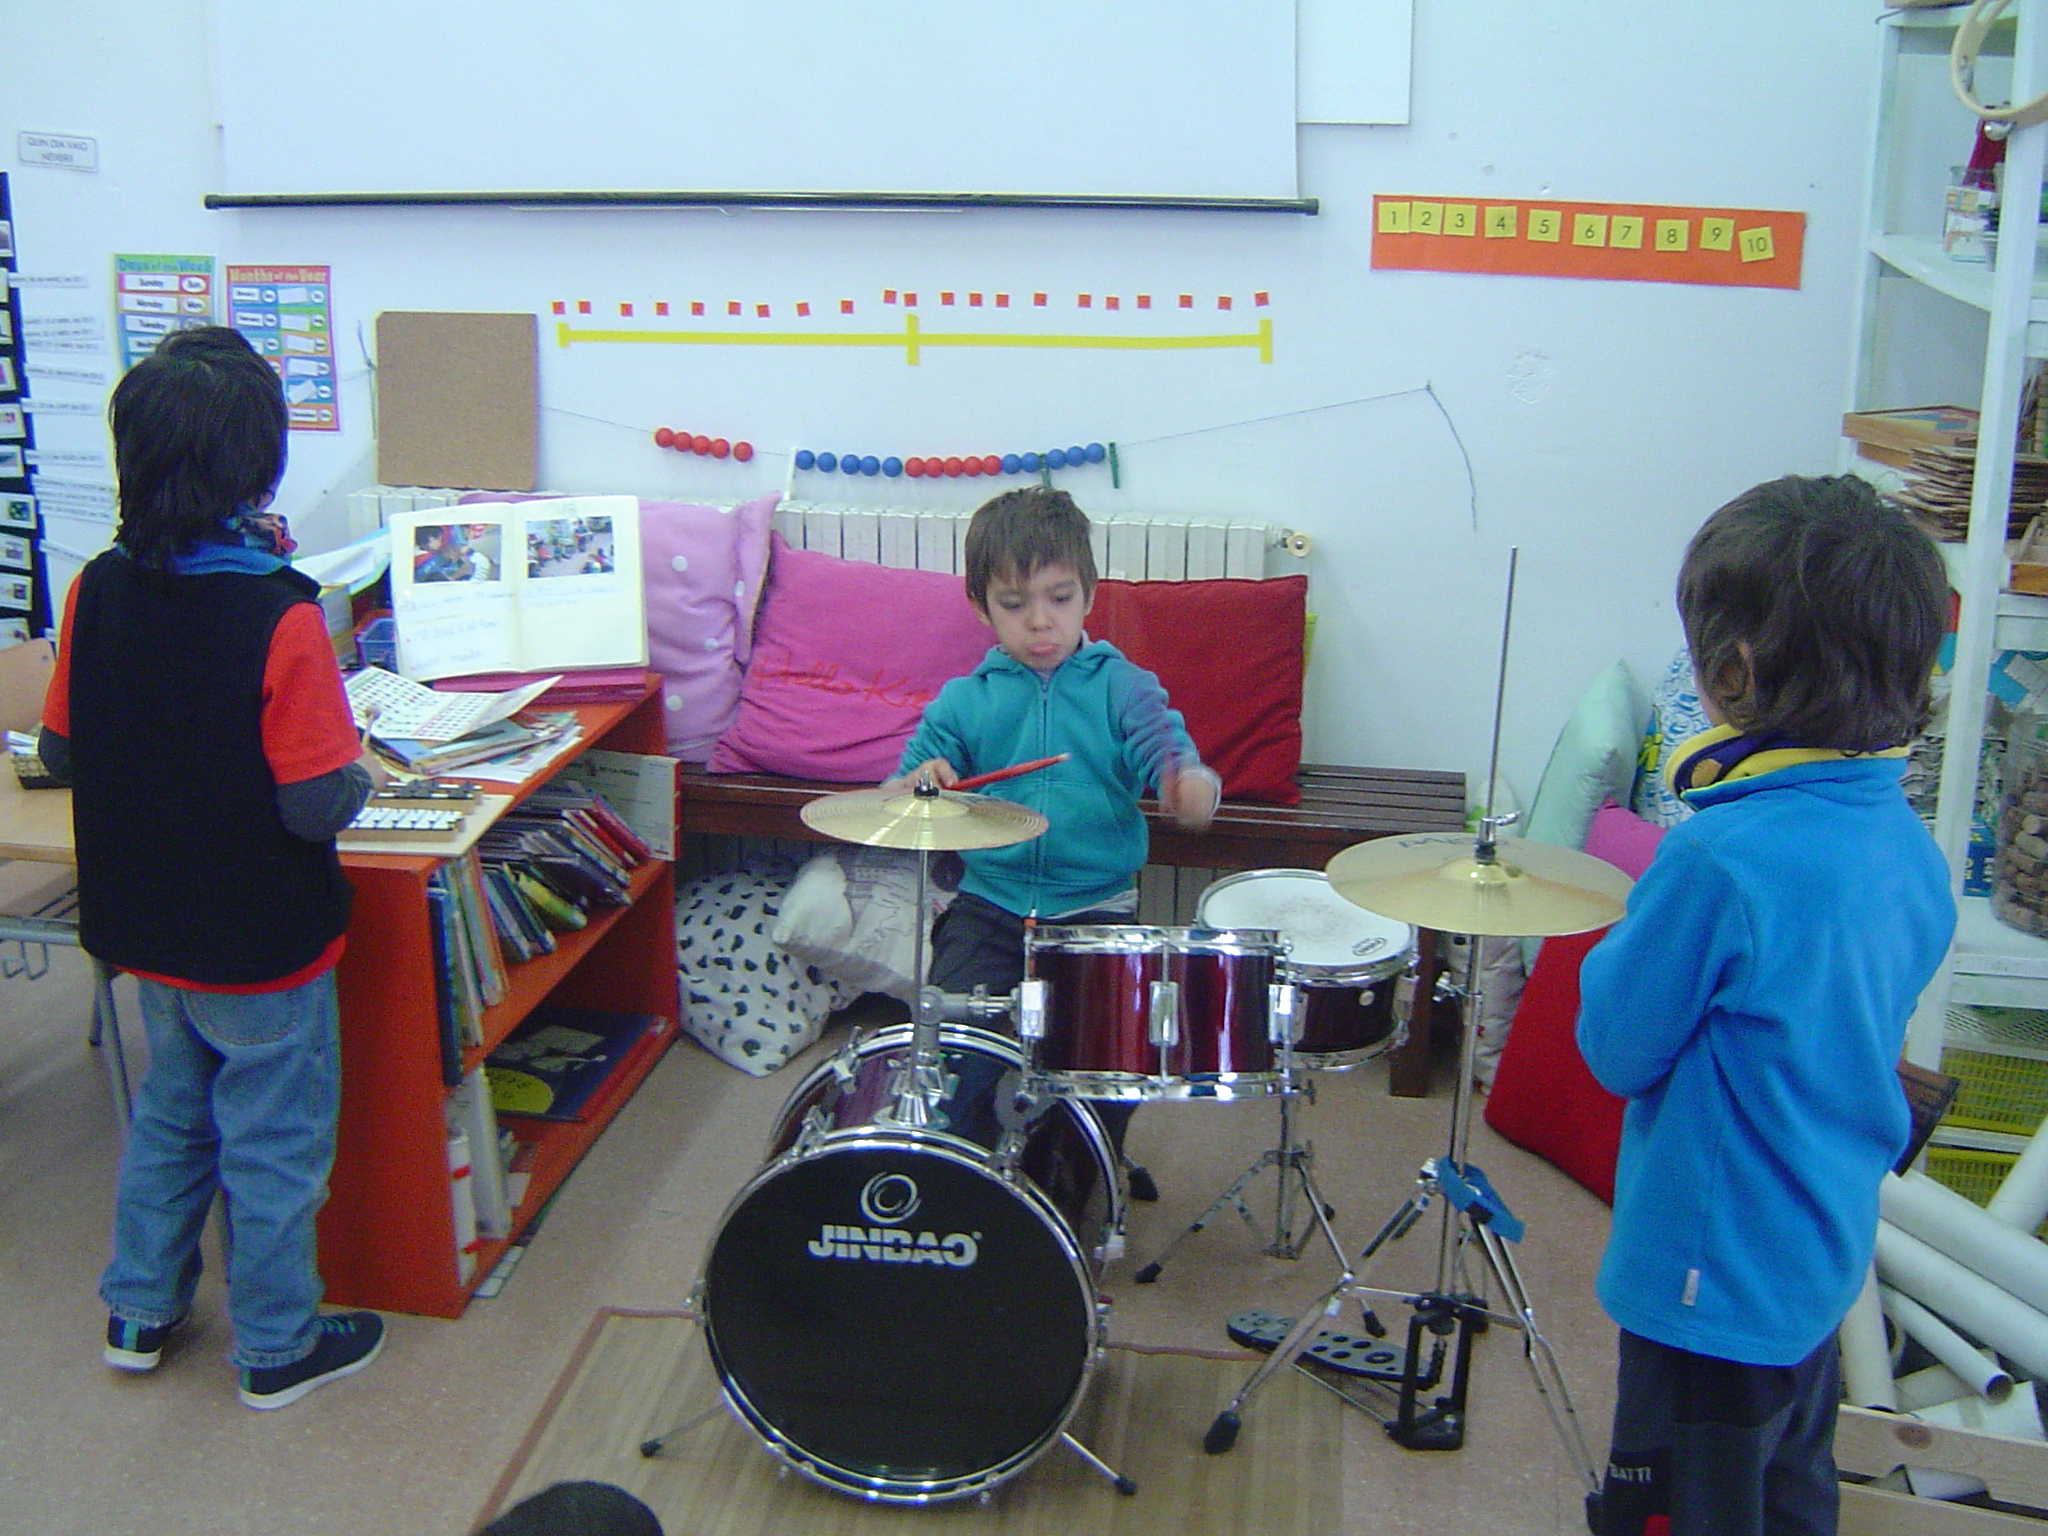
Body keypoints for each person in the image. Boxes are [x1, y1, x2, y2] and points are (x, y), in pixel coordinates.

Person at [1575, 474, 1955, 1536]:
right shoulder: (1908, 849)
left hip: (1707, 1291)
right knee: (1789, 1495)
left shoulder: (1716, 861)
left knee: (1682, 1512)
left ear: (1733, 675)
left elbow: (1614, 1048)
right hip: (1814, 1265)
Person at [41, 325, 387, 1409]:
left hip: (148, 930)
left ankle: (139, 1310)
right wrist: (364, 770)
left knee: (171, 1116)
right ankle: (277, 1347)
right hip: (261, 943)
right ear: (260, 467)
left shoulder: (95, 588)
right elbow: (313, 804)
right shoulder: (280, 611)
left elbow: (61, 750)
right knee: (274, 1147)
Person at [889, 486, 1220, 1192]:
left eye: (1059, 598)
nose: (1040, 621)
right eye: (1014, 604)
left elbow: (1164, 748)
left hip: (1095, 907)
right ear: (981, 606)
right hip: (990, 903)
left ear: (1089, 594)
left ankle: (1084, 1178)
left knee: (1107, 1066)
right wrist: (922, 781)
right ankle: (966, 1181)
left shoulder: (1124, 687)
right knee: (961, 1058)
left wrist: (1186, 781)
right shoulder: (965, 700)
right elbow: (900, 787)